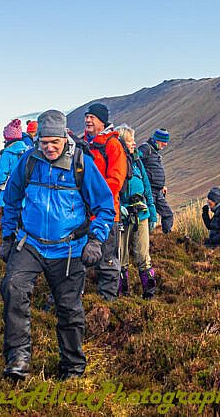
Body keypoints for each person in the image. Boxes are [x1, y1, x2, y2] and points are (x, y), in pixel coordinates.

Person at [0, 110, 115, 380]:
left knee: (69, 308)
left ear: (64, 137)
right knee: (12, 289)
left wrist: (96, 240)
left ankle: (73, 366)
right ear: (37, 139)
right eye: (44, 142)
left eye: (55, 142)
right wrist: (7, 237)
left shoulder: (81, 163)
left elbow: (105, 206)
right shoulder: (28, 161)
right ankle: (18, 360)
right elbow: (12, 198)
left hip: (69, 248)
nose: (49, 148)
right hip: (31, 244)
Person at [80, 102, 126, 301]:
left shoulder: (113, 145)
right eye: (87, 116)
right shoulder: (83, 144)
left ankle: (107, 302)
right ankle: (72, 299)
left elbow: (115, 181)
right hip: (81, 214)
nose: (88, 120)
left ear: (102, 121)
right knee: (76, 258)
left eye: (93, 117)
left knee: (106, 260)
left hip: (107, 214)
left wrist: (94, 198)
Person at [114, 126, 158, 298]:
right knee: (121, 257)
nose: (134, 143)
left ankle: (149, 293)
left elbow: (147, 188)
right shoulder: (116, 163)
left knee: (143, 255)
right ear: (122, 142)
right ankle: (122, 294)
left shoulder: (138, 162)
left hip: (141, 215)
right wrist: (118, 208)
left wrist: (153, 214)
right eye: (130, 140)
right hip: (122, 218)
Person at [138, 128, 174, 233]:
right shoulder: (146, 148)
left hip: (158, 191)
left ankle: (167, 238)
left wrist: (162, 185)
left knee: (167, 214)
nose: (166, 144)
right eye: (164, 141)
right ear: (156, 140)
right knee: (148, 217)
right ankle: (147, 240)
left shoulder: (154, 152)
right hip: (149, 190)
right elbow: (135, 161)